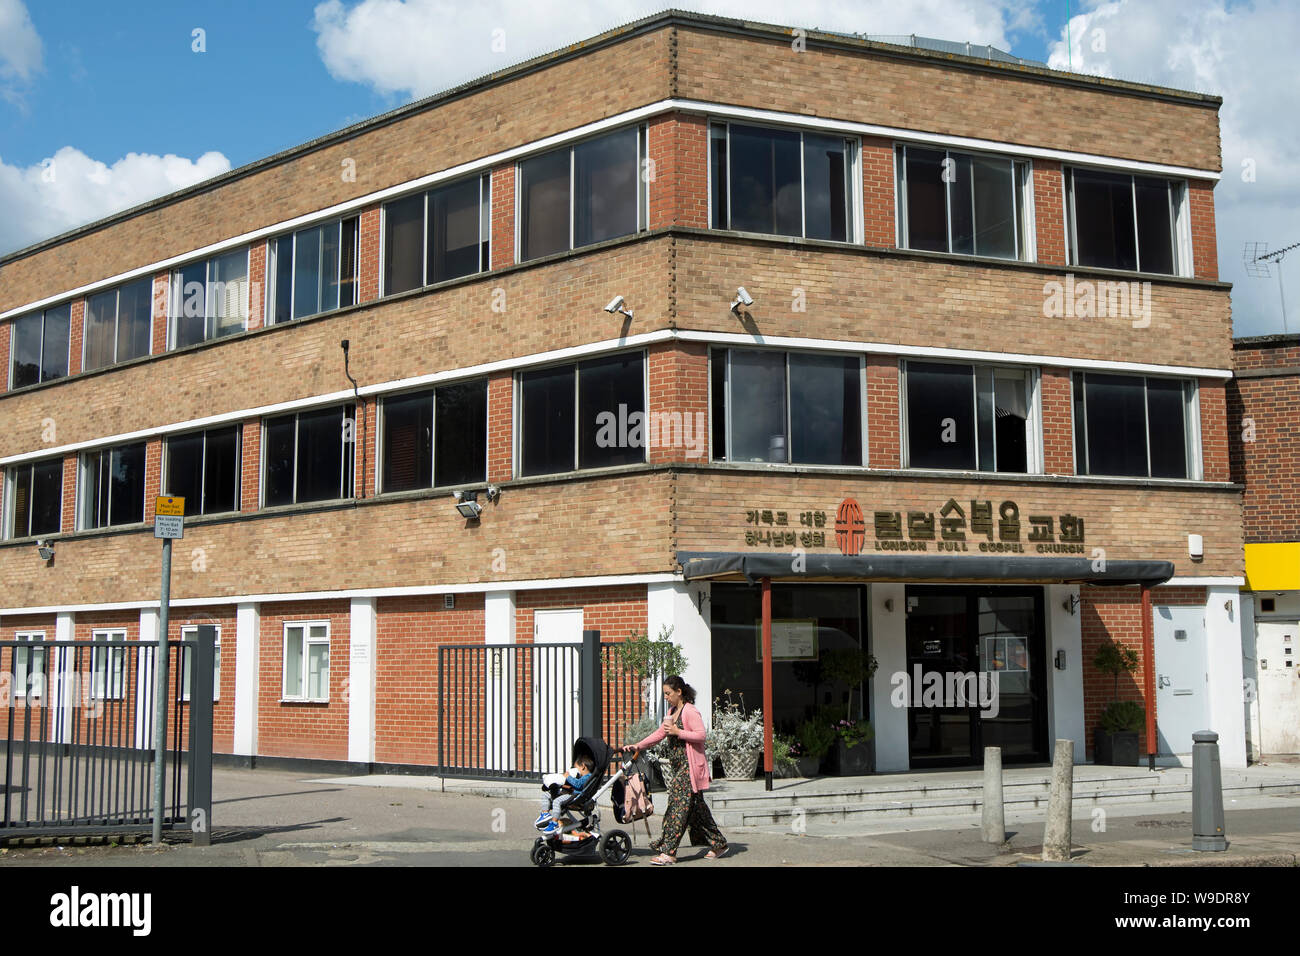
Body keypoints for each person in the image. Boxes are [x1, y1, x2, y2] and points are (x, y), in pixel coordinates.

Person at [617, 675, 728, 864]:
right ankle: (719, 844)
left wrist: (678, 732)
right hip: (678, 767)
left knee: (677, 807)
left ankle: (668, 852)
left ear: (679, 692)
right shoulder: (672, 711)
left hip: (689, 767)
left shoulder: (690, 711)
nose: (666, 697)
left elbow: (701, 735)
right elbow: (660, 733)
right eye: (664, 694)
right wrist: (639, 745)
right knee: (696, 808)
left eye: (668, 693)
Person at [534, 754, 596, 834]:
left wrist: (568, 777)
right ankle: (545, 813)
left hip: (576, 797)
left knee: (557, 801)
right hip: (571, 794)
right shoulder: (583, 776)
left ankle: (554, 823)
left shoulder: (587, 777)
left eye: (576, 768)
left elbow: (578, 784)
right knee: (546, 794)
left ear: (583, 767)